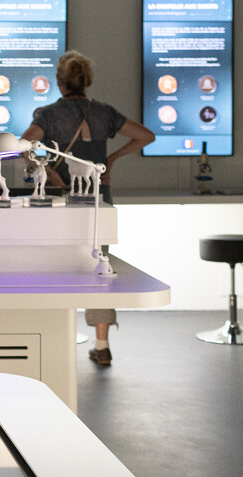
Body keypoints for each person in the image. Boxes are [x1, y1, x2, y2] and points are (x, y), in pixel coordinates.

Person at [20, 50, 154, 366]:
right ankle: (102, 345)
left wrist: (50, 172)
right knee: (99, 269)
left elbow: (23, 146)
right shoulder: (104, 113)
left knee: (55, 267)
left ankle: (55, 336)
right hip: (98, 200)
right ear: (86, 81)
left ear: (59, 81)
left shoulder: (49, 115)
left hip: (59, 200)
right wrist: (110, 160)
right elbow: (145, 136)